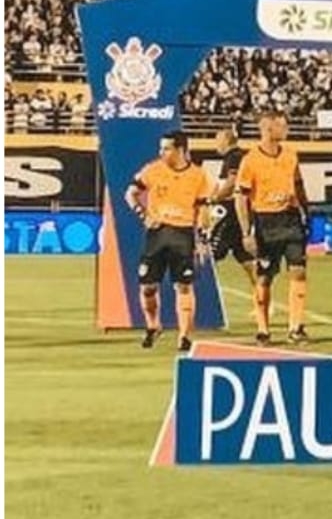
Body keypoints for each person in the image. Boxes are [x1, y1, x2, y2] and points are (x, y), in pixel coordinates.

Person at [124, 130, 213, 351]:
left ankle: (184, 336)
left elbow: (202, 207)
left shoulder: (198, 175)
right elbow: (130, 193)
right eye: (161, 148)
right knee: (148, 286)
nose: (161, 152)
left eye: (166, 148)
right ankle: (153, 326)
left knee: (183, 286)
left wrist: (202, 238)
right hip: (157, 234)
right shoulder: (153, 170)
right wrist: (143, 214)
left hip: (183, 234)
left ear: (180, 149)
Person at [235, 110, 310, 345]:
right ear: (268, 128)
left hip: (290, 219)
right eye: (282, 126)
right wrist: (247, 232)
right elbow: (241, 198)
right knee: (265, 277)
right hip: (265, 222)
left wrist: (306, 212)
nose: (286, 130)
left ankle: (295, 327)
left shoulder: (290, 155)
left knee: (298, 270)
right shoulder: (250, 160)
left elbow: (298, 184)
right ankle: (263, 328)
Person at [205, 127, 257, 309]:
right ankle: (262, 299)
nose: (215, 144)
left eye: (217, 140)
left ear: (227, 140)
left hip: (230, 213)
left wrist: (214, 199)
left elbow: (232, 183)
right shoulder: (233, 158)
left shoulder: (234, 157)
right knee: (245, 258)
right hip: (235, 213)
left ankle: (206, 300)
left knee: (211, 255)